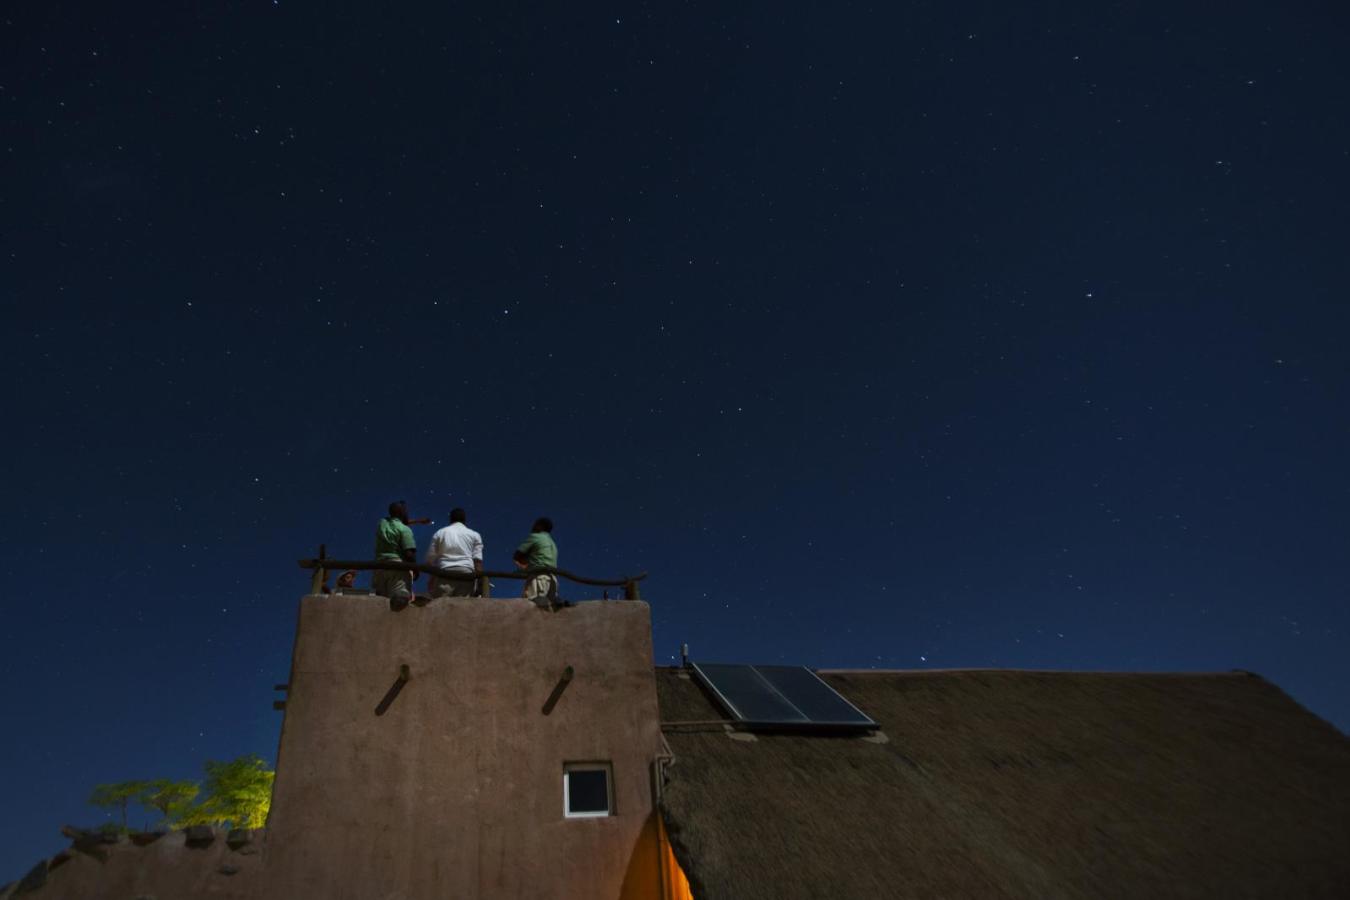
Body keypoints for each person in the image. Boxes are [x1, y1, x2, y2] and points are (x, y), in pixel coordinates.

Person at [425, 508, 484, 598]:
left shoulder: (440, 533)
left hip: (444, 573)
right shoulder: (475, 535)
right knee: (462, 605)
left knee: (442, 604)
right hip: (466, 574)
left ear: (450, 519)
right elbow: (477, 562)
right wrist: (480, 583)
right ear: (464, 520)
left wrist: (431, 579)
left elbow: (430, 560)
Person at [373, 500, 420, 608]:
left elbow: (400, 522)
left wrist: (418, 521)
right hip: (397, 569)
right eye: (405, 511)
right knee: (400, 599)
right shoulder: (405, 530)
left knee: (381, 603)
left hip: (379, 568)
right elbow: (409, 554)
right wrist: (416, 570)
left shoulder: (382, 523)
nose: (407, 513)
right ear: (401, 513)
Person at [514, 516, 559, 607]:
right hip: (553, 580)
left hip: (538, 578)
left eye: (534, 525)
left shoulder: (535, 537)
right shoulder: (552, 543)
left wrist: (524, 566)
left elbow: (517, 555)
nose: (532, 528)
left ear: (539, 526)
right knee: (549, 609)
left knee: (533, 607)